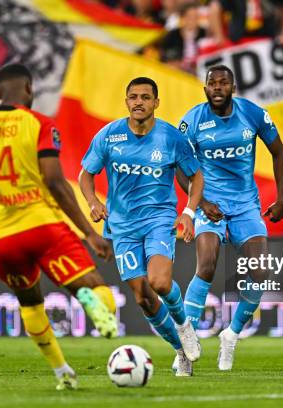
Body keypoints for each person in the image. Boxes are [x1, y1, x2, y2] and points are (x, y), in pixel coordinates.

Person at [0, 63, 119, 391]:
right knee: (99, 291)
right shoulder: (39, 123)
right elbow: (55, 181)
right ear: (29, 90)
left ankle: (62, 373)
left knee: (30, 303)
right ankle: (88, 299)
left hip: (2, 237)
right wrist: (89, 232)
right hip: (42, 225)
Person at [79, 77, 204, 376]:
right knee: (143, 297)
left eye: (145, 97)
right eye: (133, 96)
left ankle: (185, 326)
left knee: (159, 282)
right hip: (122, 226)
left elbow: (196, 176)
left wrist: (187, 211)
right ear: (126, 101)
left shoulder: (171, 138)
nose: (139, 102)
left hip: (159, 219)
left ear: (156, 103)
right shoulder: (109, 135)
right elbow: (86, 174)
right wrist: (93, 201)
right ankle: (179, 351)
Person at [177, 65, 283, 371]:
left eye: (223, 83)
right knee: (207, 265)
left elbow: (278, 152)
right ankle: (185, 352)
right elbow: (179, 167)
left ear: (233, 87)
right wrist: (201, 202)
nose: (217, 87)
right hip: (209, 205)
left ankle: (232, 334)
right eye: (212, 83)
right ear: (205, 89)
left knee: (261, 271)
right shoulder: (192, 121)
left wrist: (282, 198)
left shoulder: (252, 113)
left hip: (245, 206)